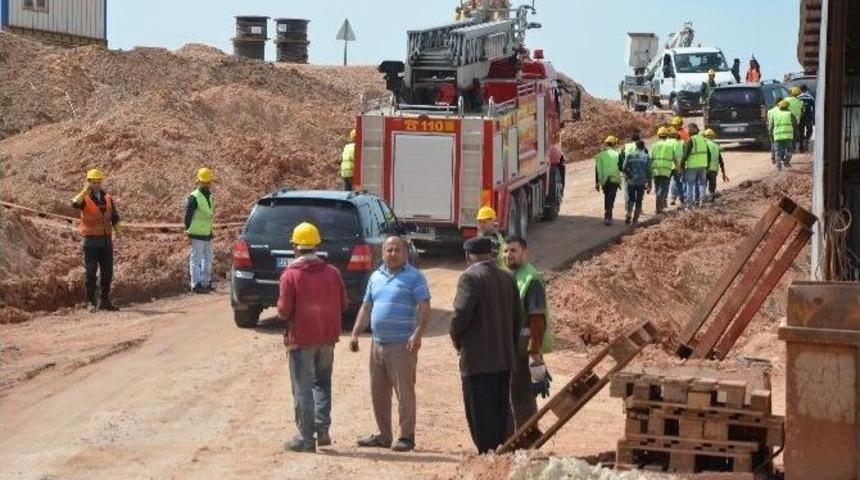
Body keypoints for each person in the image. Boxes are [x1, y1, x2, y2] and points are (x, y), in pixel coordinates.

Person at [351, 236, 431, 453]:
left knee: (404, 392)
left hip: (402, 345)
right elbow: (366, 307)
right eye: (389, 250)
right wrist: (356, 333)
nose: (393, 254)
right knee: (378, 392)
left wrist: (418, 334)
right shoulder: (375, 277)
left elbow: (424, 307)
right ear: (382, 253)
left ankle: (406, 436)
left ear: (405, 253)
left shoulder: (414, 277)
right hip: (377, 344)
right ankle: (384, 435)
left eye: (397, 250)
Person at [278, 222, 348, 453]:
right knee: (322, 383)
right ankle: (323, 431)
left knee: (302, 388)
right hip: (327, 338)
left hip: (302, 339)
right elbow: (344, 304)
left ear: (296, 248)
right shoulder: (333, 272)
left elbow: (283, 311)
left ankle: (306, 439)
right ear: (316, 246)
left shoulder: (291, 275)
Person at [450, 236, 521, 454]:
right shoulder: (507, 277)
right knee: (500, 409)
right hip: (503, 358)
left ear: (468, 255)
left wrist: (456, 340)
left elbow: (460, 316)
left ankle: (487, 458)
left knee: (480, 412)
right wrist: (508, 346)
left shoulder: (470, 278)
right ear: (491, 254)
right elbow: (517, 319)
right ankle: (499, 454)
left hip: (477, 361)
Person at [503, 236, 554, 439]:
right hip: (513, 346)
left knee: (522, 394)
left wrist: (534, 352)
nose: (509, 255)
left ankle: (528, 437)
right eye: (506, 251)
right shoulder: (514, 275)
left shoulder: (531, 279)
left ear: (524, 252)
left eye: (513, 251)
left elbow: (537, 319)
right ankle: (518, 436)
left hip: (523, 347)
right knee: (513, 394)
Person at [72, 168, 121, 313]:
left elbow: (114, 216)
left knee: (107, 272)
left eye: (98, 181)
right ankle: (91, 302)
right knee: (91, 272)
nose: (96, 184)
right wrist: (84, 191)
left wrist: (118, 230)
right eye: (93, 182)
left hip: (106, 241)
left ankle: (104, 300)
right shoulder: (84, 198)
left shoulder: (107, 197)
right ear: (88, 182)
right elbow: (74, 204)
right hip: (91, 241)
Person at [184, 167, 215, 294]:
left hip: (207, 233)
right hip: (196, 233)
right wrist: (188, 230)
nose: (206, 184)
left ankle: (205, 282)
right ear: (199, 182)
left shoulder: (210, 196)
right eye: (204, 182)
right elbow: (188, 215)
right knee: (196, 259)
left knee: (208, 258)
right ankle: (195, 284)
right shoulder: (194, 197)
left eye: (208, 182)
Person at [681, 124, 711, 209]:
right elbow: (709, 154)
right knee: (702, 184)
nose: (687, 131)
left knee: (690, 185)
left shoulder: (691, 140)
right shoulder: (704, 139)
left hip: (692, 166)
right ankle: (702, 203)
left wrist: (682, 166)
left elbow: (685, 155)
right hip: (703, 166)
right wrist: (707, 165)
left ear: (691, 130)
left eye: (688, 130)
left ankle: (689, 205)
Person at [622, 140, 652, 226]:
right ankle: (635, 219)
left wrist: (629, 174)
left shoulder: (629, 155)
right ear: (643, 147)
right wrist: (650, 184)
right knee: (639, 200)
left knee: (631, 198)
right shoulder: (646, 157)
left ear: (636, 147)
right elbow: (649, 171)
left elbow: (624, 167)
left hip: (631, 181)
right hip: (642, 182)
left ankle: (629, 214)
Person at [595, 135, 623, 226]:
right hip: (614, 180)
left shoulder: (600, 155)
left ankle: (607, 215)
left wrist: (597, 182)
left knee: (607, 197)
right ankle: (608, 217)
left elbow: (597, 169)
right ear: (614, 144)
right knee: (611, 198)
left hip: (604, 181)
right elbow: (621, 167)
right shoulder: (617, 154)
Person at [650, 127, 676, 214]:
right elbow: (674, 158)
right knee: (662, 189)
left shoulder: (654, 145)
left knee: (657, 188)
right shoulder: (670, 146)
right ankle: (659, 208)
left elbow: (650, 158)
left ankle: (659, 207)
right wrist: (679, 168)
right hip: (666, 171)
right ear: (667, 136)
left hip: (656, 170)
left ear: (658, 135)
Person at [770, 99, 797, 171]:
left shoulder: (775, 115)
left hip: (777, 136)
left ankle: (778, 162)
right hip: (788, 137)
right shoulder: (790, 114)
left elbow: (771, 127)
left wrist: (771, 137)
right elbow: (795, 126)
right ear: (787, 107)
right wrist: (796, 136)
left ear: (780, 107)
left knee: (778, 150)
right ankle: (786, 161)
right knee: (789, 150)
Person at [702, 129, 729, 200]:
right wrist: (723, 173)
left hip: (705, 168)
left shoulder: (703, 144)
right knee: (712, 185)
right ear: (713, 137)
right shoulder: (716, 146)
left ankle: (702, 199)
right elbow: (721, 161)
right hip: (714, 169)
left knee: (703, 185)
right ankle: (711, 197)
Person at [797, 84, 815, 152]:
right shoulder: (810, 97)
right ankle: (807, 141)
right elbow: (813, 108)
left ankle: (801, 147)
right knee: (809, 129)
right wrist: (813, 118)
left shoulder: (798, 98)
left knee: (800, 131)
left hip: (800, 116)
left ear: (800, 90)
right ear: (806, 89)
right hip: (808, 116)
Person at [785, 87, 804, 151]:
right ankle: (792, 148)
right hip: (796, 122)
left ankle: (787, 148)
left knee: (787, 134)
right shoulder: (800, 102)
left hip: (786, 120)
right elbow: (802, 113)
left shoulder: (786, 100)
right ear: (798, 94)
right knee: (794, 135)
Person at [767, 97, 784, 164]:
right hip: (781, 129)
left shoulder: (770, 111)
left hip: (772, 130)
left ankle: (773, 159)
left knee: (773, 144)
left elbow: (768, 121)